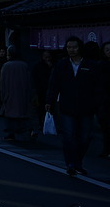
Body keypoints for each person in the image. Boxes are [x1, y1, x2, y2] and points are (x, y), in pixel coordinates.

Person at [45, 37, 103, 176]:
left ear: (80, 48)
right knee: (68, 136)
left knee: (84, 137)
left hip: (86, 107)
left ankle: (78, 162)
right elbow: (54, 84)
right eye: (69, 47)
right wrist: (49, 100)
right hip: (67, 106)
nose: (71, 50)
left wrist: (98, 104)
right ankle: (70, 163)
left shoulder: (91, 65)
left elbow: (98, 87)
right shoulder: (62, 65)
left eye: (74, 47)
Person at [0, 46, 34, 141]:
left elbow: (2, 83)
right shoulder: (24, 65)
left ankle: (11, 133)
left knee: (10, 115)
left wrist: (3, 96)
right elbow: (29, 82)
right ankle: (25, 132)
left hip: (9, 94)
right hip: (23, 94)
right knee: (23, 114)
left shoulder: (6, 66)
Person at [30, 50, 55, 136]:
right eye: (46, 57)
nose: (47, 59)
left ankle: (46, 123)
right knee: (40, 108)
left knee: (48, 108)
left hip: (49, 90)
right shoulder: (37, 67)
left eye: (48, 57)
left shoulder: (52, 66)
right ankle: (41, 123)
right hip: (40, 90)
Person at [98, 42, 110, 158]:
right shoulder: (101, 65)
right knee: (106, 127)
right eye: (107, 50)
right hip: (105, 100)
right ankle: (106, 149)